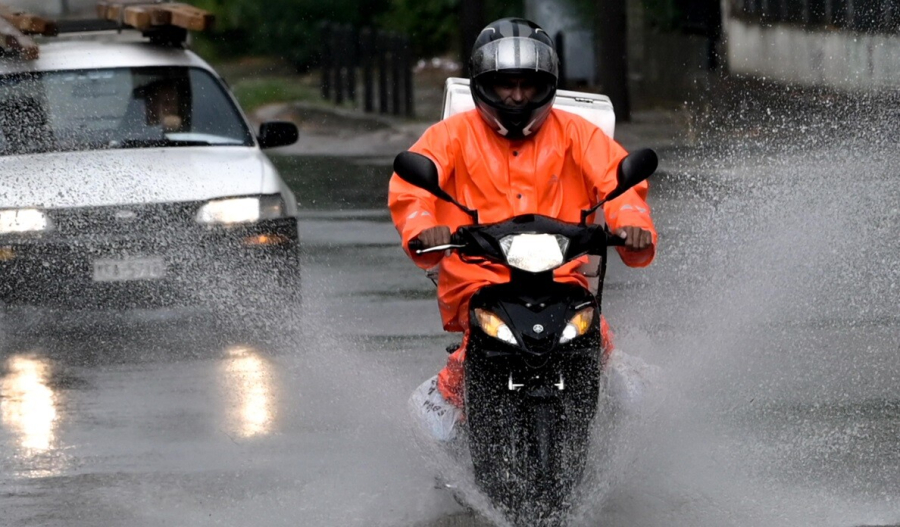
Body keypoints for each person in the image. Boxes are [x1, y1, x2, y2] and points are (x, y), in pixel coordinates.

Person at [389, 18, 657, 440]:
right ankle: (448, 408)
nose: (516, 96)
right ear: (482, 84)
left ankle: (604, 416)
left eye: (528, 85)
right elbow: (411, 188)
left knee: (599, 340)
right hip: (477, 280)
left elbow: (620, 183)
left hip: (560, 276)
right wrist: (426, 229)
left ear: (547, 84)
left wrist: (632, 225)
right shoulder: (450, 136)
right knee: (451, 394)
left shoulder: (578, 135)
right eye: (504, 85)